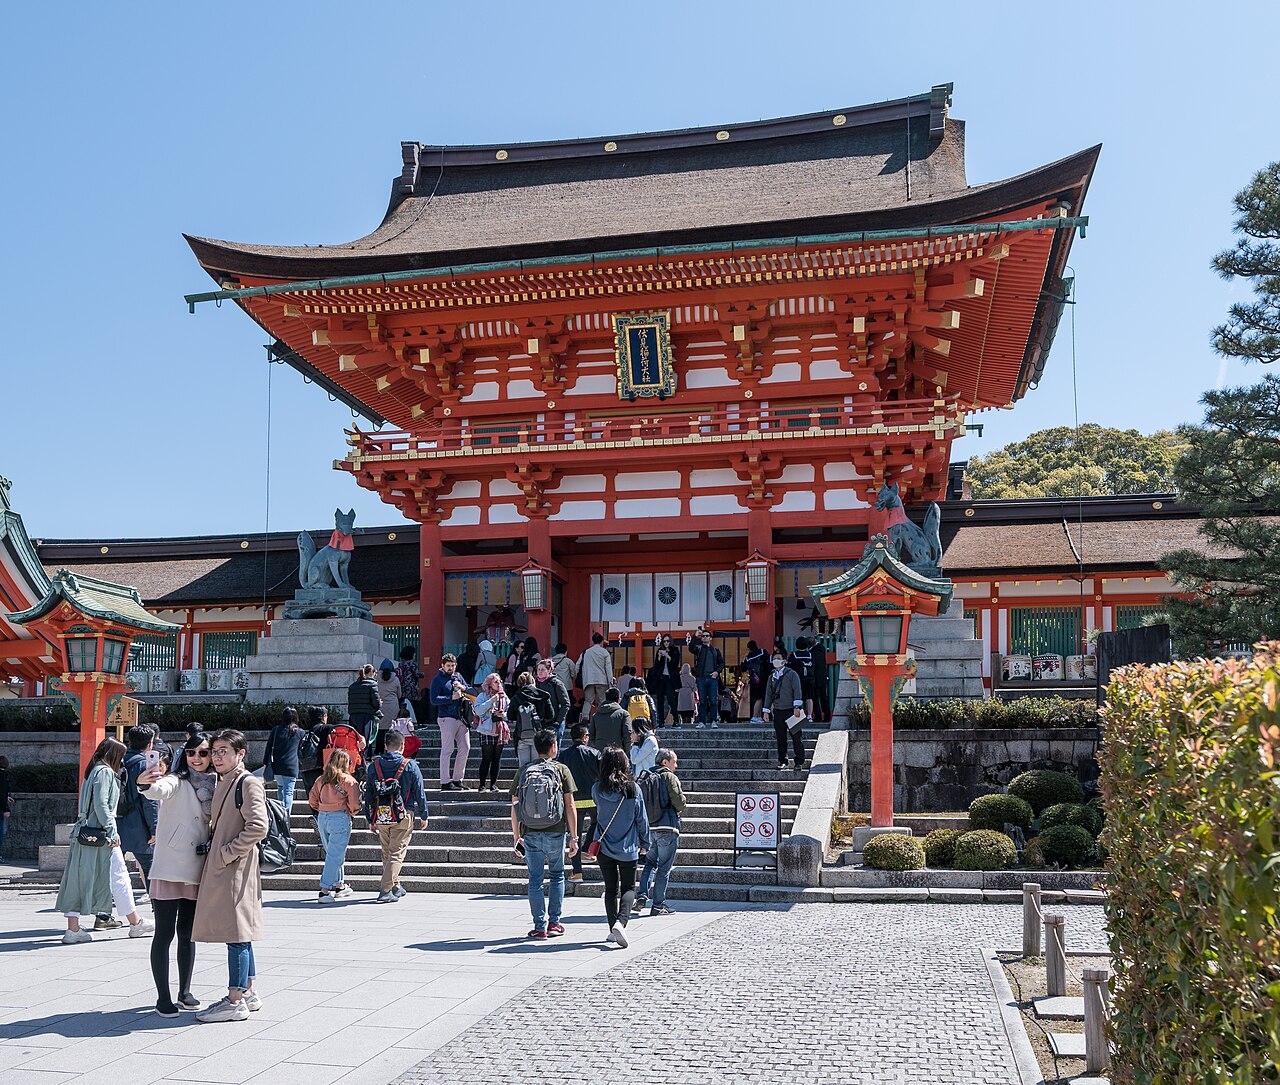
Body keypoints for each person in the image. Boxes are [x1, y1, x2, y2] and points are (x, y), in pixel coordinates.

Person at [137, 733, 216, 1016]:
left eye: (204, 753)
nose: (197, 758)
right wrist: (146, 780)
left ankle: (185, 990)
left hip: (197, 868)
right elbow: (157, 789)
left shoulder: (218, 784)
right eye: (192, 752)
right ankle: (163, 997)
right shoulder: (176, 780)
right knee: (164, 933)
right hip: (170, 868)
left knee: (188, 934)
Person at [193, 729, 268, 1023]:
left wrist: (226, 852)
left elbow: (258, 827)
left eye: (224, 750)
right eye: (215, 751)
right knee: (241, 932)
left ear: (241, 754)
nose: (217, 756)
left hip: (235, 866)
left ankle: (234, 999)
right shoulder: (228, 781)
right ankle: (248, 991)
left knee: (235, 933)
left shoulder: (247, 783)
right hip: (230, 865)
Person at [56, 737, 153, 944]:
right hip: (102, 835)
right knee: (120, 877)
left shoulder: (92, 771)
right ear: (115, 755)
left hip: (84, 833)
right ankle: (135, 923)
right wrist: (112, 830)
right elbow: (102, 806)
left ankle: (73, 929)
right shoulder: (106, 773)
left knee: (77, 879)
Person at [510, 730, 577, 939]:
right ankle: (554, 923)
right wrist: (574, 837)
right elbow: (570, 805)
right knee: (557, 876)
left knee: (535, 880)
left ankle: (539, 926)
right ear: (553, 747)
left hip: (530, 832)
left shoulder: (524, 770)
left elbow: (514, 806)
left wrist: (516, 836)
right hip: (556, 830)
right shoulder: (561, 769)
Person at [589, 746, 649, 948]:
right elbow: (641, 819)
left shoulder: (596, 789)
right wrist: (645, 842)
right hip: (628, 845)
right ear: (625, 764)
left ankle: (612, 929)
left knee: (610, 888)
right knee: (629, 888)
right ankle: (621, 923)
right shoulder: (633, 789)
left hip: (604, 844)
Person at [363, 730, 428, 903]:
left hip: (382, 813)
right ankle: (385, 890)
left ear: (385, 746)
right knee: (397, 853)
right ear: (402, 746)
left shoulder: (374, 766)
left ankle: (395, 886)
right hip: (403, 813)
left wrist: (370, 818)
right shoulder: (410, 765)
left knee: (387, 852)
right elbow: (419, 792)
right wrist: (424, 814)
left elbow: (368, 794)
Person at [635, 747, 685, 917]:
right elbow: (679, 801)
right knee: (664, 868)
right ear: (665, 761)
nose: (676, 765)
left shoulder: (646, 777)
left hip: (649, 829)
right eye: (674, 761)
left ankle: (641, 896)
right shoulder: (669, 777)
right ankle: (658, 905)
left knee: (649, 864)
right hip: (667, 828)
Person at [308, 749, 360, 903]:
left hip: (322, 817)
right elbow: (355, 803)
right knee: (335, 854)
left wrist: (323, 808)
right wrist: (351, 811)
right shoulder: (349, 781)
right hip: (340, 817)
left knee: (333, 853)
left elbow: (312, 800)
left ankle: (339, 885)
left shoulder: (321, 779)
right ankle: (324, 891)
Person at [118, 724, 159, 892]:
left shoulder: (118, 760)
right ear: (150, 744)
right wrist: (154, 828)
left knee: (114, 870)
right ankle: (156, 907)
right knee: (150, 868)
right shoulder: (145, 766)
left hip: (117, 821)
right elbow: (150, 800)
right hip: (139, 824)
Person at [558, 723, 601, 883]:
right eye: (588, 735)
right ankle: (587, 847)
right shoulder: (595, 753)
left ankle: (577, 873)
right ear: (584, 737)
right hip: (593, 798)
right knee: (597, 823)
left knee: (574, 836)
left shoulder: (564, 755)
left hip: (573, 801)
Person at [431, 653, 472, 790]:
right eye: (448, 666)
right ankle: (445, 781)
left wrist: (462, 687)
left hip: (461, 717)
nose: (451, 668)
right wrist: (450, 697)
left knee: (465, 747)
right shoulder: (437, 680)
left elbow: (468, 691)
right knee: (447, 749)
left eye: (453, 665)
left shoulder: (458, 677)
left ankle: (457, 779)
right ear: (442, 666)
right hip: (446, 716)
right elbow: (434, 699)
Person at [762, 649, 807, 771]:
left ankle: (799, 761)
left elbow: (797, 690)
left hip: (792, 710)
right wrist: (766, 710)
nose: (776, 661)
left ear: (784, 661)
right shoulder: (771, 676)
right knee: (780, 737)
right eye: (774, 658)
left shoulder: (792, 674)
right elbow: (768, 694)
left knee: (797, 737)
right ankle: (783, 761)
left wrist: (797, 707)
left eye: (778, 658)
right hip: (778, 710)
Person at [261, 707, 304, 814]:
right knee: (288, 793)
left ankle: (280, 815)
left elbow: (268, 747)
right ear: (295, 718)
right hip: (292, 767)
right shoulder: (300, 732)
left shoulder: (276, 730)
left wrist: (265, 763)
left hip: (277, 766)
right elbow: (302, 751)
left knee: (280, 788)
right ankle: (286, 818)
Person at [473, 672, 510, 792]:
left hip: (500, 729)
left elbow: (509, 712)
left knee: (497, 758)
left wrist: (503, 714)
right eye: (496, 682)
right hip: (486, 729)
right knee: (486, 757)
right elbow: (478, 710)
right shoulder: (483, 696)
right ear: (489, 684)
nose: (499, 684)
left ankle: (493, 784)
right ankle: (482, 784)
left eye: (500, 682)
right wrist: (491, 700)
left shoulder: (504, 696)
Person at [510, 670, 554, 770]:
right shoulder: (542, 695)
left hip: (522, 735)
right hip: (539, 736)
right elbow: (551, 715)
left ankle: (523, 785)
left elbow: (510, 716)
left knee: (523, 768)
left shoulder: (516, 697)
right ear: (533, 680)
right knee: (538, 767)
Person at [300, 706, 332, 818]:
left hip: (306, 770)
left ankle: (316, 817)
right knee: (323, 797)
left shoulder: (306, 732)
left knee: (312, 796)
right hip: (320, 769)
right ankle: (321, 820)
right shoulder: (327, 728)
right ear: (323, 717)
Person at [688, 630, 724, 728]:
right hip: (701, 677)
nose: (704, 637)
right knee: (702, 701)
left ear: (710, 638)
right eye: (703, 636)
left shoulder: (715, 650)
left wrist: (717, 672)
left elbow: (722, 663)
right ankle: (702, 722)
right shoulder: (699, 649)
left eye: (707, 636)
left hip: (712, 678)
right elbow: (691, 648)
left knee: (713, 700)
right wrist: (695, 636)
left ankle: (713, 721)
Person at [646, 633, 681, 725]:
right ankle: (661, 721)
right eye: (664, 641)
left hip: (670, 678)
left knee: (670, 699)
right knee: (660, 700)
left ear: (671, 641)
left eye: (667, 641)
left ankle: (676, 719)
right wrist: (659, 656)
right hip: (661, 678)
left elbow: (675, 663)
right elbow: (656, 665)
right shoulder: (659, 650)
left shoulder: (675, 650)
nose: (666, 643)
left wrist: (668, 656)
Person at [536, 657, 571, 749]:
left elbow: (565, 703)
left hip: (555, 722)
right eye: (538, 669)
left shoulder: (557, 684)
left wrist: (558, 721)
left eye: (543, 669)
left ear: (549, 670)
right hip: (542, 721)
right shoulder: (535, 684)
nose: (540, 672)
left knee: (554, 749)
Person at [348, 664, 383, 758]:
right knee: (366, 742)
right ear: (372, 673)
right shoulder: (372, 685)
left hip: (353, 717)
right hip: (367, 718)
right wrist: (380, 702)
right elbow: (376, 704)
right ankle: (364, 764)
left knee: (355, 742)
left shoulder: (353, 686)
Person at [577, 632, 614, 717]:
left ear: (592, 641)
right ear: (601, 642)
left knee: (588, 701)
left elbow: (578, 665)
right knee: (602, 700)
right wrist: (610, 682)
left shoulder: (586, 652)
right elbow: (608, 668)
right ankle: (602, 718)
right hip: (602, 680)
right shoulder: (604, 652)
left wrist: (580, 676)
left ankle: (585, 718)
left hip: (588, 680)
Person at [588, 687, 632, 751]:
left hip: (600, 753)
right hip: (617, 752)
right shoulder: (624, 714)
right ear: (619, 700)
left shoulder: (596, 715)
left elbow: (591, 735)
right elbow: (627, 734)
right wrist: (626, 751)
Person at [376, 661, 403, 755]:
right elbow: (399, 694)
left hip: (381, 706)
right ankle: (390, 750)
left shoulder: (377, 679)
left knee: (380, 731)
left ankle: (378, 751)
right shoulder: (395, 679)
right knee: (391, 730)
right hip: (393, 706)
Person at [788, 636, 818, 720]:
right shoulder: (810, 655)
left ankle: (797, 715)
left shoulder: (794, 655)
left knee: (797, 697)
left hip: (798, 679)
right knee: (809, 698)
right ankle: (809, 716)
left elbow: (790, 666)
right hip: (809, 679)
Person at [395, 645, 425, 723]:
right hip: (410, 686)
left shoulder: (401, 663)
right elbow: (416, 674)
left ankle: (397, 719)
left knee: (399, 703)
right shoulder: (412, 663)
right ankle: (421, 722)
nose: (415, 654)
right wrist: (423, 674)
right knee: (416, 705)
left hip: (402, 686)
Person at [742, 640, 769, 724]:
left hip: (754, 680)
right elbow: (769, 661)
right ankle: (755, 716)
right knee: (762, 698)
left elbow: (743, 668)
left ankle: (756, 716)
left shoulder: (748, 657)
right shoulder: (763, 652)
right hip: (764, 678)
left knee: (757, 698)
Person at [676, 662, 698, 727]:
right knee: (689, 711)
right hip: (689, 695)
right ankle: (689, 724)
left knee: (682, 712)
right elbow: (695, 689)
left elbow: (676, 689)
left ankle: (682, 724)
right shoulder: (693, 678)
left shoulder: (679, 678)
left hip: (681, 695)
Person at [0, 754, 10, 863]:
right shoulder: (2, 776)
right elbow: (1, 793)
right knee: (1, 831)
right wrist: (6, 808)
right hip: (0, 808)